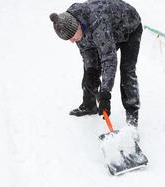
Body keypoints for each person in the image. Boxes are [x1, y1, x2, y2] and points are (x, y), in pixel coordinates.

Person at [49, 0, 142, 128]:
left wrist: (105, 94)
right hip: (109, 29)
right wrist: (92, 71)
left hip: (129, 26)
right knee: (89, 72)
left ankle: (132, 121)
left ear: (78, 26)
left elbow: (108, 59)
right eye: (68, 39)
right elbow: (86, 50)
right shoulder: (71, 21)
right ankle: (89, 105)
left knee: (127, 71)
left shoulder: (98, 22)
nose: (72, 41)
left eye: (72, 36)